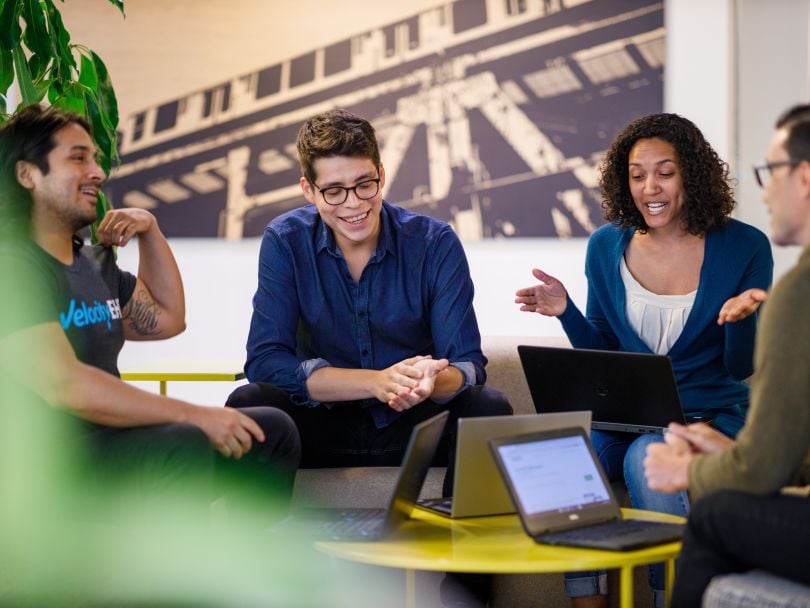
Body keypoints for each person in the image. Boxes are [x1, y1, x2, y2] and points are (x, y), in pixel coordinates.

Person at [226, 108, 511, 607]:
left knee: (489, 408)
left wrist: (428, 379)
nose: (353, 203)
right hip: (323, 426)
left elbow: (467, 364)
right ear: (308, 190)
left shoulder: (434, 242)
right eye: (333, 190)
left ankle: (466, 598)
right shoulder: (285, 241)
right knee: (250, 402)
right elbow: (265, 359)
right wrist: (375, 381)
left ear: (382, 175)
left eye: (365, 185)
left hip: (412, 430)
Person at [514, 113, 773, 608]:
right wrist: (566, 311)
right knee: (564, 452)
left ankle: (668, 599)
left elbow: (739, 369)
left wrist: (740, 320)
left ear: (691, 175)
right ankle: (587, 601)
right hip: (629, 416)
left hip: (707, 417)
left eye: (665, 172)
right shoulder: (605, 245)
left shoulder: (744, 246)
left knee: (647, 457)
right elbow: (604, 352)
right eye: (637, 175)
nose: (649, 187)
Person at [0, 104, 300, 515]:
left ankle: (248, 564)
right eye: (78, 158)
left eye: (95, 159)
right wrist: (195, 415)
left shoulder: (93, 263)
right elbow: (65, 384)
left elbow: (167, 319)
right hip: (46, 466)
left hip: (108, 446)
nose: (97, 173)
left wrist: (150, 231)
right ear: (27, 174)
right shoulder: (14, 266)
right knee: (184, 440)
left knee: (270, 431)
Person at [644, 104, 810, 607]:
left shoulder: (797, 294)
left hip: (710, 427)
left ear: (803, 178)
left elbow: (764, 470)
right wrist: (729, 454)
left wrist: (688, 474)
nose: (763, 189)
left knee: (714, 512)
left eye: (769, 171)